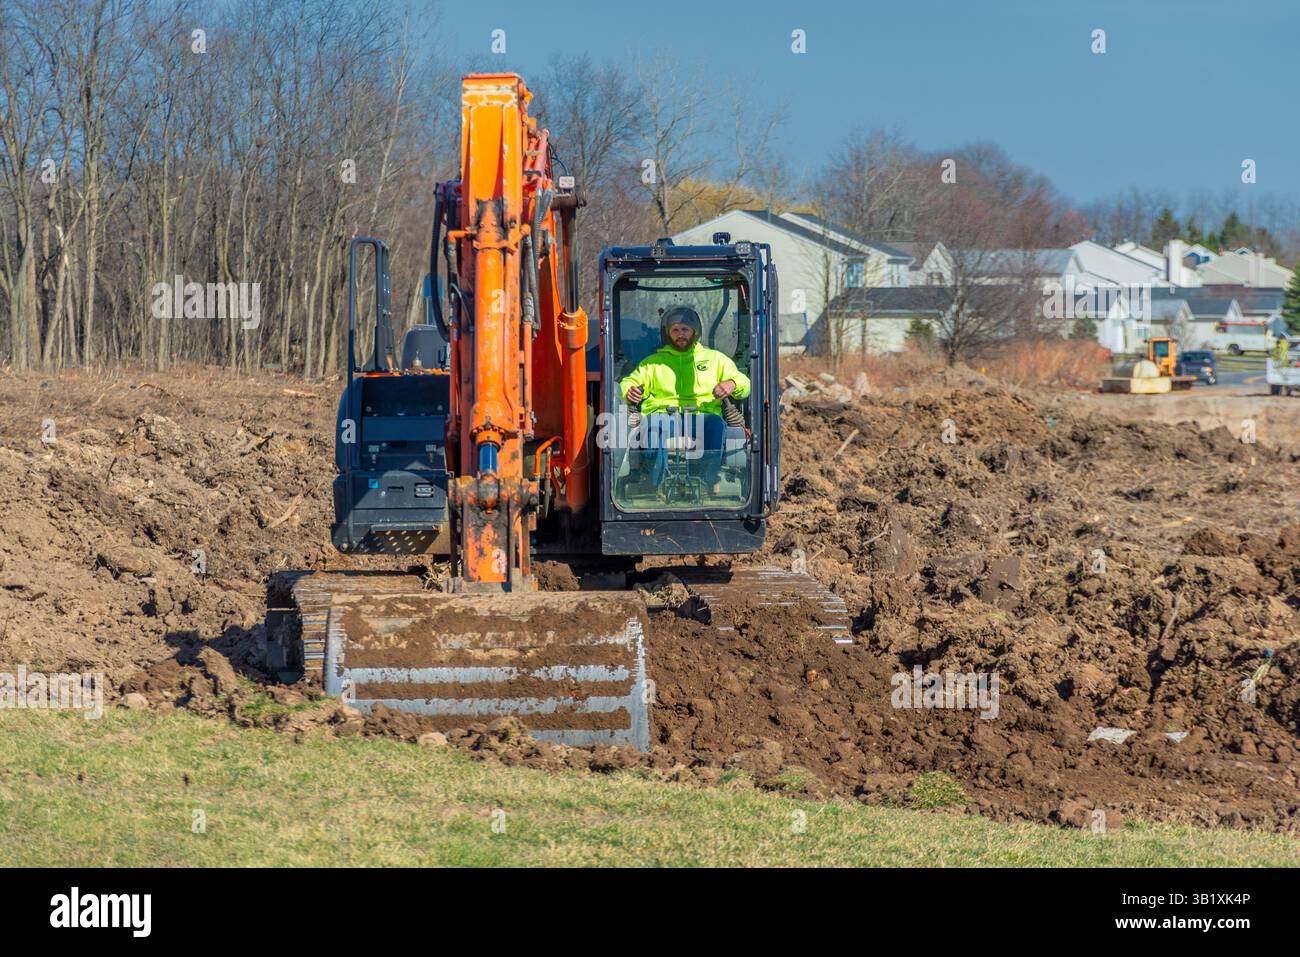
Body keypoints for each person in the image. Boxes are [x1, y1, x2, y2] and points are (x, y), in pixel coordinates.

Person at [619, 306, 750, 494]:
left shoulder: (716, 360)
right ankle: (656, 484)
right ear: (668, 334)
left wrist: (731, 384)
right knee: (653, 424)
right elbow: (629, 382)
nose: (680, 334)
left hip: (702, 416)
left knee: (716, 424)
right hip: (664, 416)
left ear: (695, 331)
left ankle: (708, 482)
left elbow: (744, 384)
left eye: (685, 329)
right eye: (675, 330)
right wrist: (628, 390)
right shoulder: (652, 363)